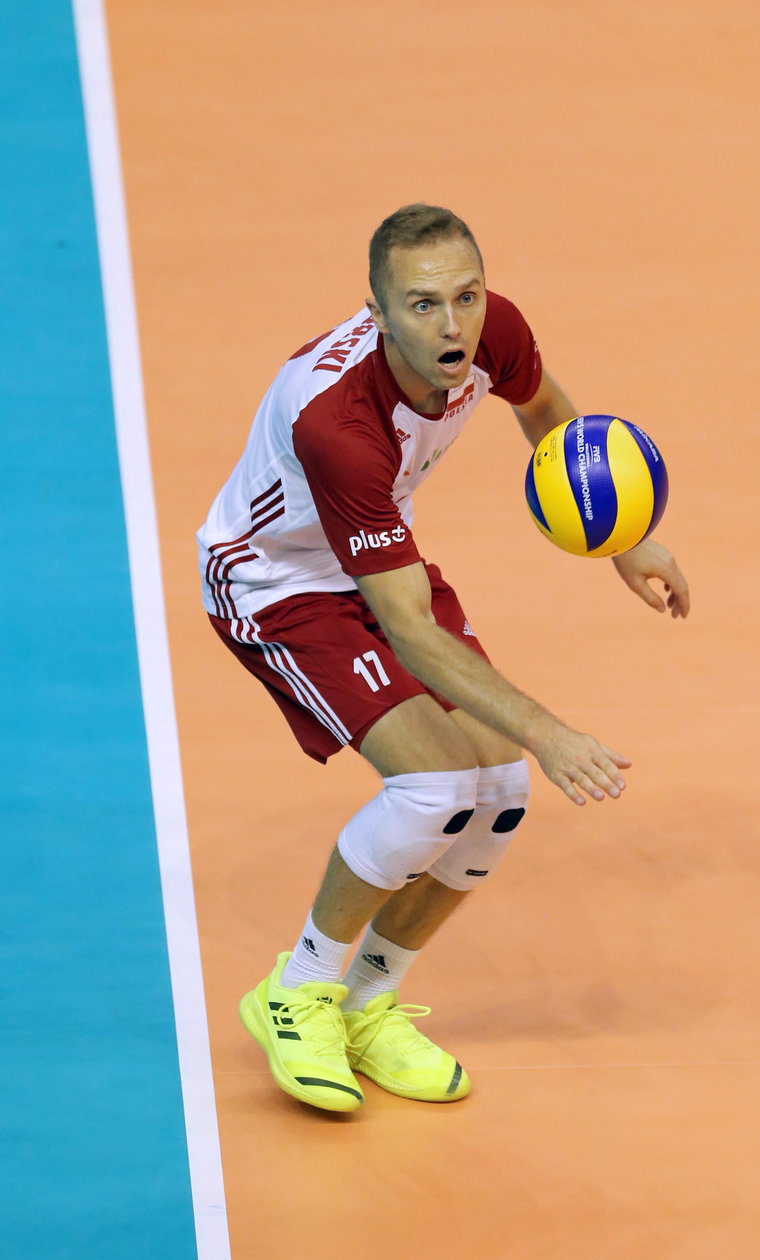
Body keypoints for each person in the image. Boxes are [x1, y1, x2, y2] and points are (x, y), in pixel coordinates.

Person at [198, 204, 690, 1113]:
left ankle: (367, 1004)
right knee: (434, 787)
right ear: (378, 313)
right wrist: (549, 729)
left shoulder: (488, 330)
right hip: (277, 582)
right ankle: (297, 991)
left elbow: (550, 416)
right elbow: (413, 631)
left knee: (498, 790)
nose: (452, 325)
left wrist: (626, 537)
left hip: (382, 561)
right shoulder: (336, 426)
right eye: (423, 306)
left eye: (465, 296)